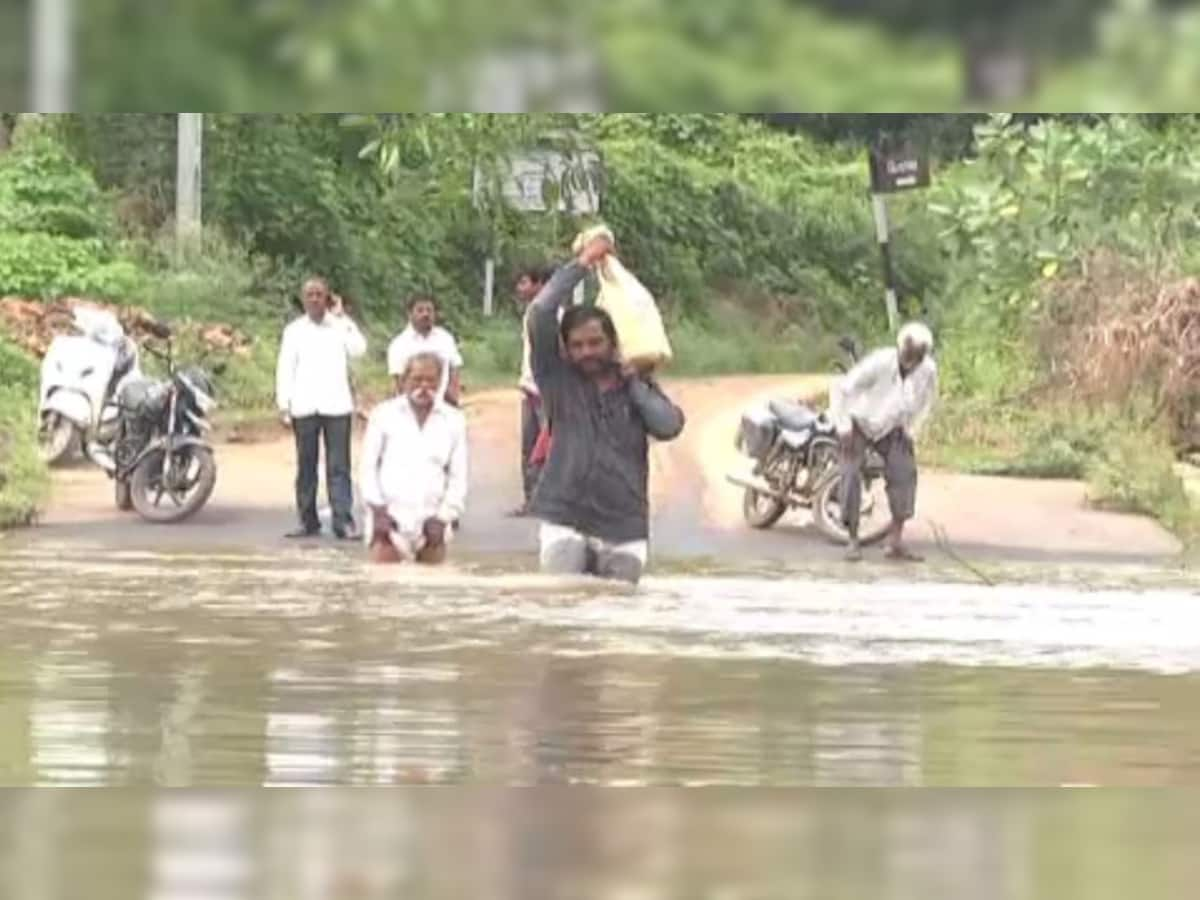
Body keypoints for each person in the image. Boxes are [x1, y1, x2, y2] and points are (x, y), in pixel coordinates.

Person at [527, 233, 685, 585]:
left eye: (596, 343)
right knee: (562, 607)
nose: (587, 352)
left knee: (617, 622)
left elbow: (669, 426)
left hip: (624, 525)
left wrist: (633, 383)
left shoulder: (638, 386)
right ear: (565, 351)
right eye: (578, 345)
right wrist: (583, 262)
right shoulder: (558, 381)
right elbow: (540, 313)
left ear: (614, 343)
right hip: (565, 517)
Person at [830, 321, 938, 563]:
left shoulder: (928, 370)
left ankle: (895, 541)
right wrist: (844, 426)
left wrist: (912, 430)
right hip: (859, 422)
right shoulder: (880, 362)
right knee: (850, 474)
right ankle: (852, 539)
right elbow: (843, 389)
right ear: (901, 349)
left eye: (917, 356)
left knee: (905, 474)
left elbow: (927, 403)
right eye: (909, 354)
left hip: (893, 427)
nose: (912, 361)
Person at [275, 277, 368, 540]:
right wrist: (284, 403)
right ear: (303, 299)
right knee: (306, 466)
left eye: (319, 294)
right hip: (304, 406)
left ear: (327, 297)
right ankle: (307, 521)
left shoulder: (339, 326)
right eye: (310, 295)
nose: (315, 299)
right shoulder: (293, 331)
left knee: (339, 466)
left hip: (336, 405)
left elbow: (359, 350)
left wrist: (344, 319)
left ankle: (343, 522)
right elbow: (285, 368)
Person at [360, 352, 468, 564]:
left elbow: (458, 476)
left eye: (431, 380)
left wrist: (444, 517)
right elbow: (367, 468)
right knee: (384, 590)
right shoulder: (383, 415)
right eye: (417, 379)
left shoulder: (454, 420)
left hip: (432, 523)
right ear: (403, 381)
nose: (424, 386)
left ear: (440, 382)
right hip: (389, 522)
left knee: (434, 591)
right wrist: (377, 510)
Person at [511, 262, 556, 517]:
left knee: (550, 447)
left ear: (540, 285)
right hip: (530, 388)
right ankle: (531, 500)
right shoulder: (532, 313)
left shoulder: (553, 315)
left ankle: (549, 500)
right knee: (530, 447)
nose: (520, 288)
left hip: (546, 392)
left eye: (524, 282)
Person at [386, 295, 464, 406]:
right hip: (412, 408)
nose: (425, 314)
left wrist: (454, 397)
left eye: (429, 310)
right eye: (420, 310)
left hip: (443, 406)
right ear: (409, 314)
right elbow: (398, 382)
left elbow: (455, 368)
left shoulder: (445, 338)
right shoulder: (399, 345)